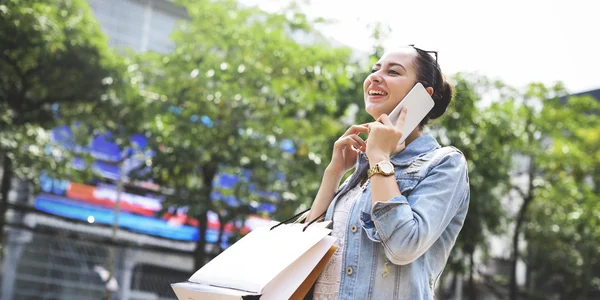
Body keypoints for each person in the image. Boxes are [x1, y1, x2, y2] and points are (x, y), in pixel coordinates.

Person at [305, 45, 470, 300]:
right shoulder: (363, 167)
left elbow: (403, 246)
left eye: (393, 72)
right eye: (374, 69)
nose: (375, 77)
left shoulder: (444, 163)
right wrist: (334, 172)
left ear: (423, 96)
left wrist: (380, 158)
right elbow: (309, 247)